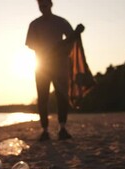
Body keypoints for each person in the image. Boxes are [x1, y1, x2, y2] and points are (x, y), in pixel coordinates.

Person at [26, 0, 84, 141]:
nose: (42, 8)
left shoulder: (61, 22)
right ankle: (45, 130)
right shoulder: (35, 24)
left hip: (59, 66)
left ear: (51, 4)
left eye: (45, 5)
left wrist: (76, 32)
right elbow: (30, 44)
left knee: (62, 96)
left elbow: (71, 38)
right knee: (43, 97)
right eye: (40, 6)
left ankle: (62, 128)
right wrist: (45, 51)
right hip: (42, 66)